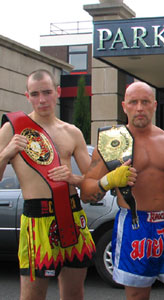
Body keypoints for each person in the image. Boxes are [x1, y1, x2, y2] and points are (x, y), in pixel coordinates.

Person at [80, 81, 164, 300]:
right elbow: (86, 191)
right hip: (134, 224)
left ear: (154, 105)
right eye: (133, 102)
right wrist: (108, 180)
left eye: (145, 102)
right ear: (124, 106)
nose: (139, 107)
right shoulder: (113, 143)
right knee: (137, 296)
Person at [0, 69, 95, 300]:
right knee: (32, 296)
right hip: (37, 221)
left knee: (74, 295)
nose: (41, 99)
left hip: (72, 216)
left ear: (58, 93)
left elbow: (93, 185)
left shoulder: (72, 132)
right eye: (35, 94)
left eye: (47, 92)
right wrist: (6, 154)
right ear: (27, 96)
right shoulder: (12, 128)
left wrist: (72, 178)